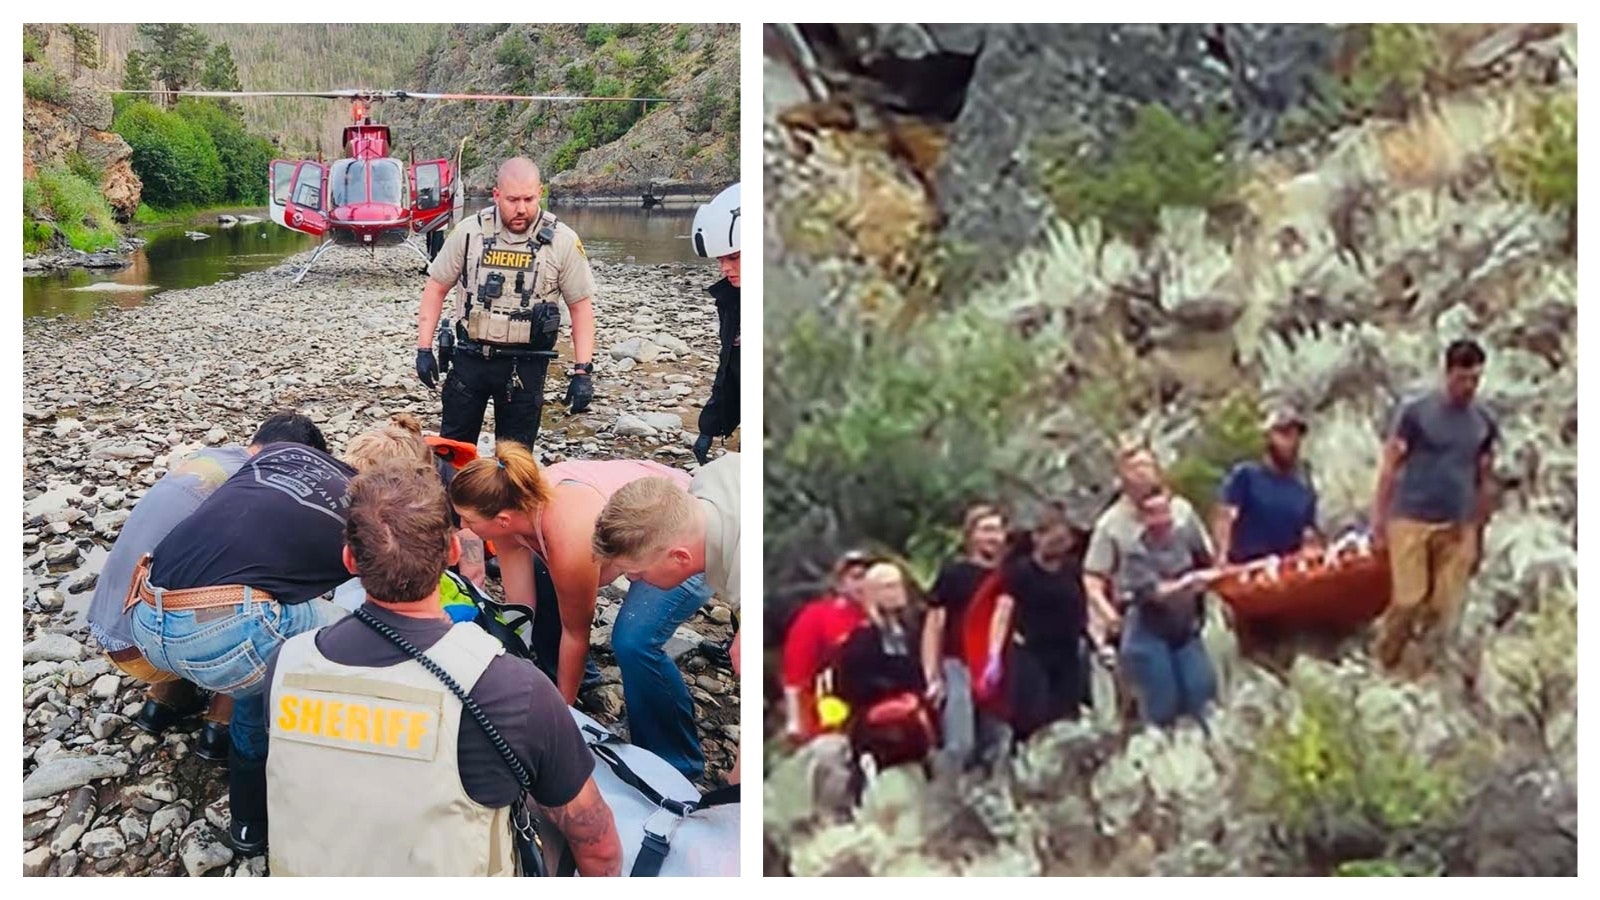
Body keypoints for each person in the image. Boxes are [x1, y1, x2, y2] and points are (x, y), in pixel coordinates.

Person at [264, 461, 622, 876]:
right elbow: (598, 844)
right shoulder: (511, 686)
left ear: (349, 560)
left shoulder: (286, 663)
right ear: (453, 552)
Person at [128, 438, 356, 855]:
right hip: (221, 638)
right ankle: (251, 798)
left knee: (249, 606)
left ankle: (242, 811)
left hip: (137, 621)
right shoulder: (358, 507)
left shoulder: (254, 469)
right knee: (349, 632)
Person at [448, 441, 713, 780]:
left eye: (468, 519)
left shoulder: (568, 534)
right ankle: (576, 683)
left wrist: (561, 718)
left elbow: (577, 632)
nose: (464, 526)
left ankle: (675, 765)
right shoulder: (510, 514)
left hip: (685, 540)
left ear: (500, 520)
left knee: (634, 641)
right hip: (630, 536)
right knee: (545, 576)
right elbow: (521, 613)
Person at [85, 412, 323, 763]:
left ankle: (165, 700)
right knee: (282, 609)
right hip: (148, 641)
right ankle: (222, 721)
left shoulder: (210, 458)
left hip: (110, 630)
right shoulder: (259, 482)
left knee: (199, 575)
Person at [414, 157, 597, 451]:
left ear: (541, 192)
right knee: (452, 454)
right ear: (496, 194)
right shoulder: (469, 233)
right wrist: (424, 349)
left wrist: (582, 372)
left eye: (529, 198)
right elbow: (436, 288)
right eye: (512, 199)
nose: (521, 208)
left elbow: (580, 308)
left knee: (515, 463)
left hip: (526, 365)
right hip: (470, 359)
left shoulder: (562, 241)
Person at [589, 452, 741, 780]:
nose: (631, 582)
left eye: (636, 573)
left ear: (680, 559)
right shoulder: (711, 479)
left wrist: (736, 791)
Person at [1370, 339, 1499, 673]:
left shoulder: (1483, 422)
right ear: (1448, 374)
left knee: (1442, 606)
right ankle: (1385, 657)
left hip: (1457, 523)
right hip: (1412, 517)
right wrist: (1379, 521)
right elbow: (1390, 465)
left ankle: (1418, 666)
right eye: (1462, 378)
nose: (1468, 386)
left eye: (1475, 379)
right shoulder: (1416, 413)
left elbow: (1483, 476)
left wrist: (1478, 531)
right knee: (1409, 598)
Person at [1083, 442, 1212, 652]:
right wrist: (1109, 616)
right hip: (1137, 613)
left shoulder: (1181, 511)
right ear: (1122, 475)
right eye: (1134, 468)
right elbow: (1093, 577)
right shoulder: (1111, 524)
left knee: (1200, 683)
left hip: (1186, 613)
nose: (1142, 473)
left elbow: (1205, 556)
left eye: (1147, 465)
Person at [980, 504, 1090, 740]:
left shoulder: (1071, 569)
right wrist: (994, 654)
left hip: (1067, 652)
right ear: (1037, 538)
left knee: (1067, 716)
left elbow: (1084, 606)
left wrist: (1097, 641)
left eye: (1064, 541)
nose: (1059, 547)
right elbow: (1003, 612)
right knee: (1034, 716)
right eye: (1053, 540)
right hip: (1032, 652)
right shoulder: (1020, 572)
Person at [1118, 490, 1222, 728]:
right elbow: (1155, 593)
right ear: (1143, 520)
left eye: (1165, 512)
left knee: (1202, 692)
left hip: (1185, 629)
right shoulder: (1136, 554)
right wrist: (1186, 583)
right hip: (1150, 633)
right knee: (1163, 703)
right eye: (1154, 514)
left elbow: (1208, 565)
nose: (1162, 520)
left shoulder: (1184, 538)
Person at [920, 503, 1005, 773]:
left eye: (998, 530)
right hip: (958, 663)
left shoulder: (1010, 576)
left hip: (997, 667)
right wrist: (932, 674)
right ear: (971, 536)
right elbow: (934, 624)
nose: (993, 537)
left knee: (996, 742)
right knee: (960, 741)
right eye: (986, 530)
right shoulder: (954, 574)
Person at [830, 562, 934, 772]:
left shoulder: (914, 631)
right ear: (873, 593)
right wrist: (890, 692)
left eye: (897, 585)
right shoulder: (861, 639)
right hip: (876, 718)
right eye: (887, 587)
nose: (895, 593)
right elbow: (846, 685)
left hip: (914, 713)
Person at [779, 551, 873, 742]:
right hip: (832, 712)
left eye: (868, 577)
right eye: (856, 577)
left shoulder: (889, 616)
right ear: (840, 583)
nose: (863, 584)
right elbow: (796, 671)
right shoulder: (817, 616)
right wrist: (795, 720)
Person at [1213, 406, 1320, 565]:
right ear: (1268, 437)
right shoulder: (1246, 475)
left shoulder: (1304, 488)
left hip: (1285, 570)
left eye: (1295, 436)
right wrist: (1222, 555)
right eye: (1284, 434)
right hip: (1247, 567)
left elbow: (1308, 532)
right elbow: (1225, 515)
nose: (1291, 443)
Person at [689, 183, 740, 465]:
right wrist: (710, 427)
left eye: (734, 257)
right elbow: (730, 367)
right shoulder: (731, 300)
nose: (725, 268)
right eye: (721, 259)